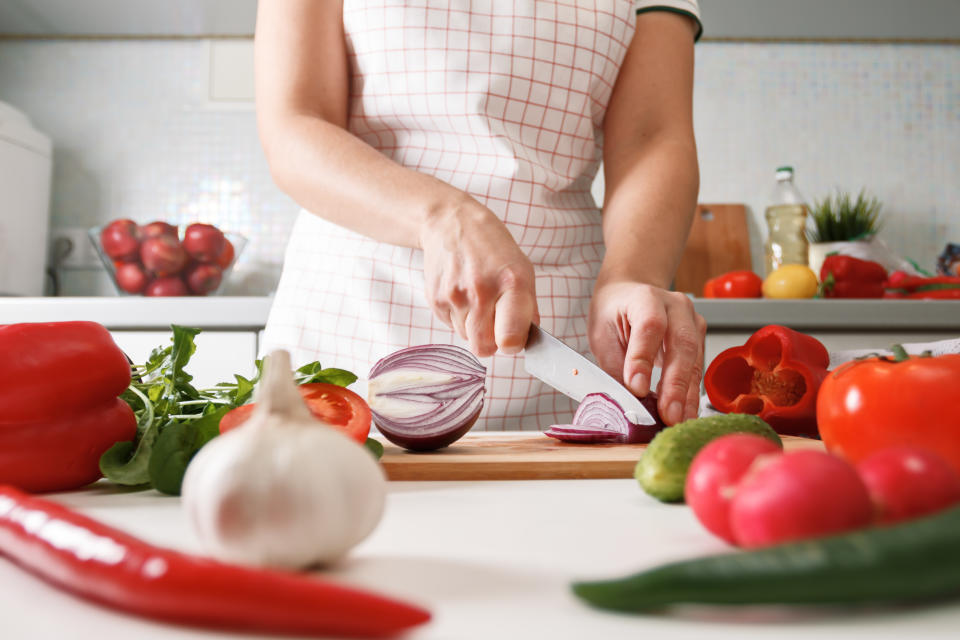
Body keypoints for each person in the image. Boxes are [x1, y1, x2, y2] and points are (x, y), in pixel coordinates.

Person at [258, 0, 706, 430]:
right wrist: (442, 215)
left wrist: (631, 273)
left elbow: (652, 138)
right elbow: (296, 125)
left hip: (563, 348)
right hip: (350, 329)